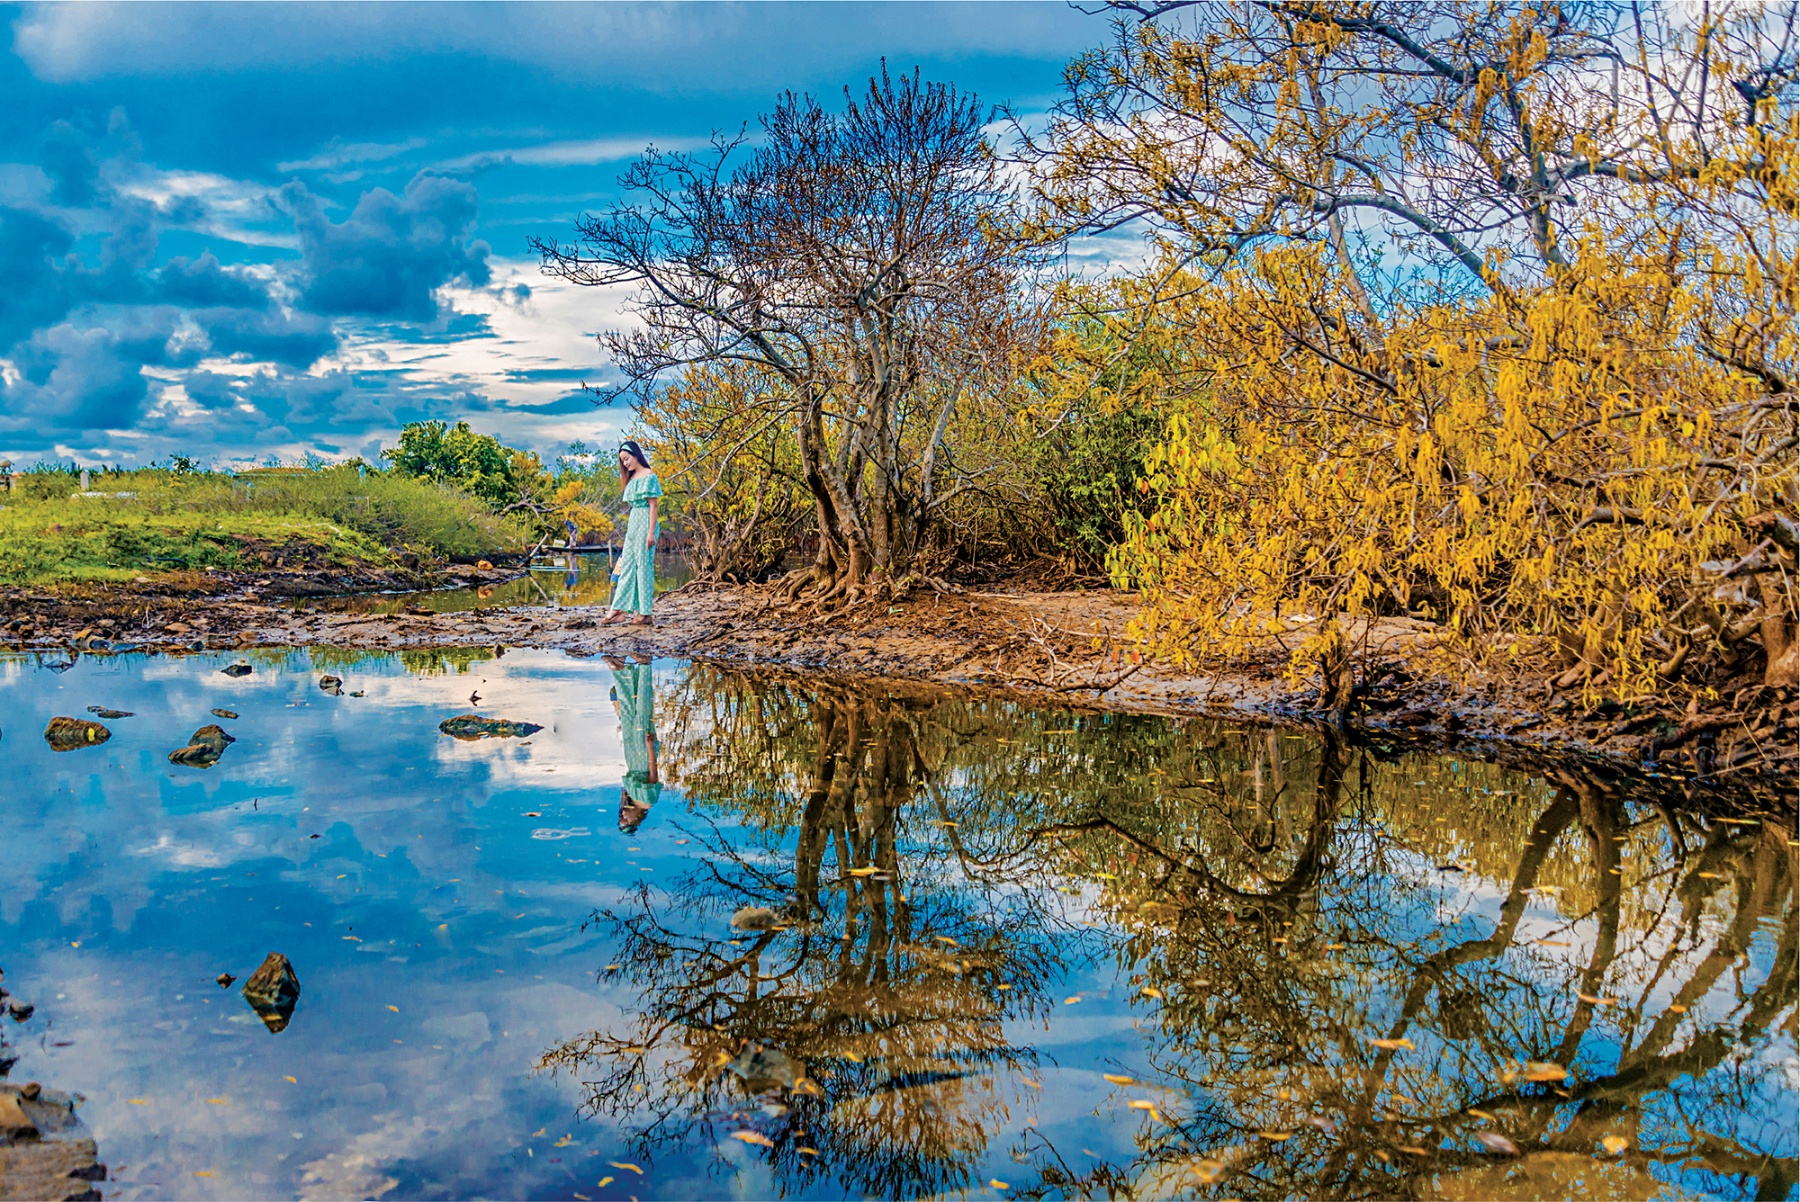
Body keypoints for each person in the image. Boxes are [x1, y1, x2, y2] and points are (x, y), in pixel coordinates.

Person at [602, 440, 661, 626]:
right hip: (634, 524)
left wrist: (651, 532)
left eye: (627, 459)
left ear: (636, 455)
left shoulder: (649, 476)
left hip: (646, 523)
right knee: (627, 566)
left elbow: (653, 506)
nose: (626, 463)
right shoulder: (632, 478)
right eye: (623, 461)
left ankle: (644, 613)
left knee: (643, 567)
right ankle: (618, 609)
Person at [606, 655, 660, 834]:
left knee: (628, 714)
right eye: (624, 819)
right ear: (635, 821)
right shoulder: (647, 801)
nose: (622, 815)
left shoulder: (632, 799)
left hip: (631, 755)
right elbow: (653, 774)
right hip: (644, 756)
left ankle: (621, 671)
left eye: (620, 817)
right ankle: (644, 665)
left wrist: (624, 800)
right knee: (643, 710)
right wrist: (650, 747)